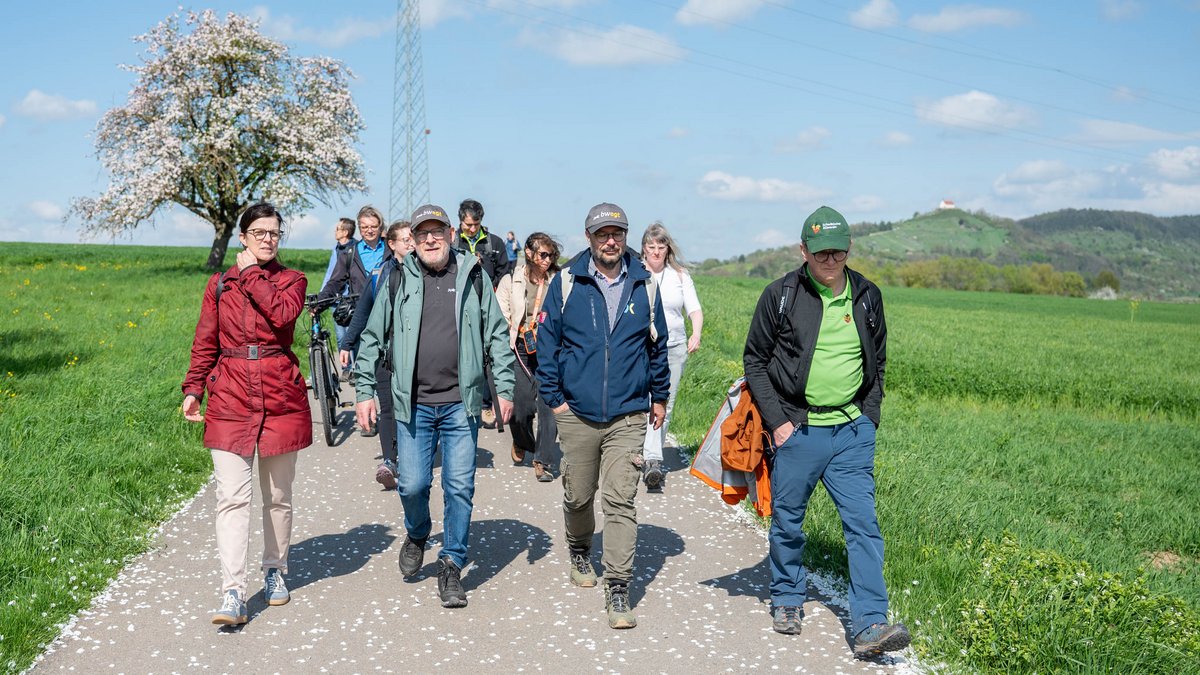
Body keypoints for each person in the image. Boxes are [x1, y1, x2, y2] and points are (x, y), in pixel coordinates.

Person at [742, 205, 910, 656]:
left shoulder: (868, 296)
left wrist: (869, 418)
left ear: (849, 248)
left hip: (852, 433)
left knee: (863, 526)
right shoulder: (781, 296)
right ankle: (787, 598)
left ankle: (871, 623)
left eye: (837, 252)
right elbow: (755, 361)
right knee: (788, 521)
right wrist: (778, 424)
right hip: (798, 430)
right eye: (820, 253)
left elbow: (878, 361)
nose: (830, 260)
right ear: (803, 250)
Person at [354, 204, 515, 609]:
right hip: (414, 405)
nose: (430, 239)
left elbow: (497, 334)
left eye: (437, 232)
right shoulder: (397, 277)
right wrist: (363, 391)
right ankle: (418, 531)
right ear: (413, 240)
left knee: (459, 487)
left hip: (461, 404)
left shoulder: (472, 275)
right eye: (422, 233)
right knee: (413, 485)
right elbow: (372, 336)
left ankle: (451, 563)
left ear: (450, 234)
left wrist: (505, 387)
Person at [537, 202, 669, 630]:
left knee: (620, 500)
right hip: (576, 412)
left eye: (617, 234)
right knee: (578, 495)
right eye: (602, 235)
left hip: (628, 414)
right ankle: (579, 550)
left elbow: (657, 346)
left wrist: (659, 397)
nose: (610, 241)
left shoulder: (644, 284)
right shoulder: (566, 282)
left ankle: (618, 587)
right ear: (589, 238)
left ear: (625, 237)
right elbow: (547, 343)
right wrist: (555, 400)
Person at [181, 202, 311, 626]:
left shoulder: (293, 280)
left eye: (274, 232)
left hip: (280, 395)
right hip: (231, 395)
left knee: (278, 496)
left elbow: (283, 315)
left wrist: (252, 273)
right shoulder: (220, 284)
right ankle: (233, 591)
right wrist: (193, 388)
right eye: (259, 233)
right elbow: (206, 340)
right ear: (243, 237)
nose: (268, 239)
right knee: (232, 497)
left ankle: (274, 569)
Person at [339, 221, 414, 489]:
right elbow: (363, 312)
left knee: (413, 408)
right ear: (391, 244)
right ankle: (390, 462)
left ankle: (412, 458)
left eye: (413, 238)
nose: (412, 243)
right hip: (385, 353)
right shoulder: (380, 274)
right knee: (388, 407)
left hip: (414, 356)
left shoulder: (425, 273)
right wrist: (347, 343)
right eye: (405, 239)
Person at [639, 222, 703, 492]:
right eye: (651, 246)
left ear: (668, 249)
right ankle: (648, 455)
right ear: (644, 248)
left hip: (674, 347)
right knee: (644, 402)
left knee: (666, 402)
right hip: (642, 347)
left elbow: (694, 309)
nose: (656, 251)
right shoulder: (636, 272)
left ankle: (651, 459)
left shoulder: (679, 275)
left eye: (661, 246)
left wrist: (696, 333)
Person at [495, 232, 562, 483]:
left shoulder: (557, 281)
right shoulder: (510, 280)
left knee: (548, 406)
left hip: (549, 348)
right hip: (519, 347)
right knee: (521, 407)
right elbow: (500, 315)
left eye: (551, 255)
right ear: (529, 253)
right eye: (543, 254)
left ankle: (543, 461)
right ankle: (522, 440)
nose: (547, 260)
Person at [452, 199, 511, 428]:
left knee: (486, 353)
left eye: (476, 224)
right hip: (460, 304)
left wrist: (493, 289)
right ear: (460, 221)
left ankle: (486, 403)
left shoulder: (494, 243)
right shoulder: (453, 242)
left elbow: (504, 272)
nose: (472, 229)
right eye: (468, 225)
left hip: (487, 304)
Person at [318, 206, 389, 363]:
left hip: (389, 313)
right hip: (362, 315)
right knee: (363, 363)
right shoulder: (349, 254)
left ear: (380, 227)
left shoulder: (391, 249)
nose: (369, 230)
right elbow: (335, 282)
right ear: (359, 228)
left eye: (373, 226)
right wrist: (319, 302)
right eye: (364, 227)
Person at [321, 217, 356, 377]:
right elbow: (330, 275)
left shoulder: (355, 249)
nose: (335, 231)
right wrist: (322, 297)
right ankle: (346, 369)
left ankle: (357, 369)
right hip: (336, 301)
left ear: (345, 232)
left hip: (351, 301)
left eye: (338, 228)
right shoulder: (335, 250)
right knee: (341, 337)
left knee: (352, 336)